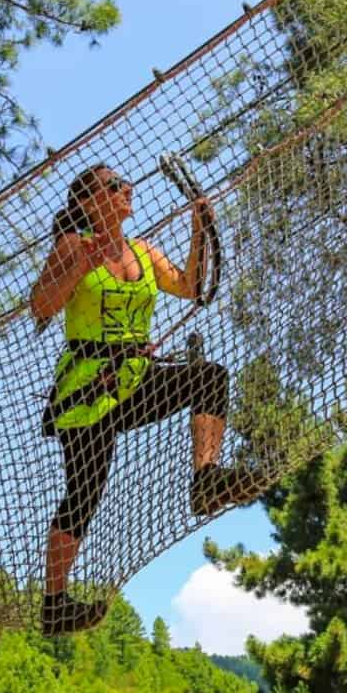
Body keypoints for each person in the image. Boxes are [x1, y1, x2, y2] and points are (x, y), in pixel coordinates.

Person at [28, 164, 266, 634]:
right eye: (114, 186)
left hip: (135, 379)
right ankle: (54, 603)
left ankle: (206, 479)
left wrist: (199, 230)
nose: (126, 190)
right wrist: (80, 267)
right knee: (84, 493)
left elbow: (190, 286)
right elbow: (40, 306)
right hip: (87, 389)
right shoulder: (72, 245)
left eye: (124, 184)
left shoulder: (142, 251)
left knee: (208, 378)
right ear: (88, 203)